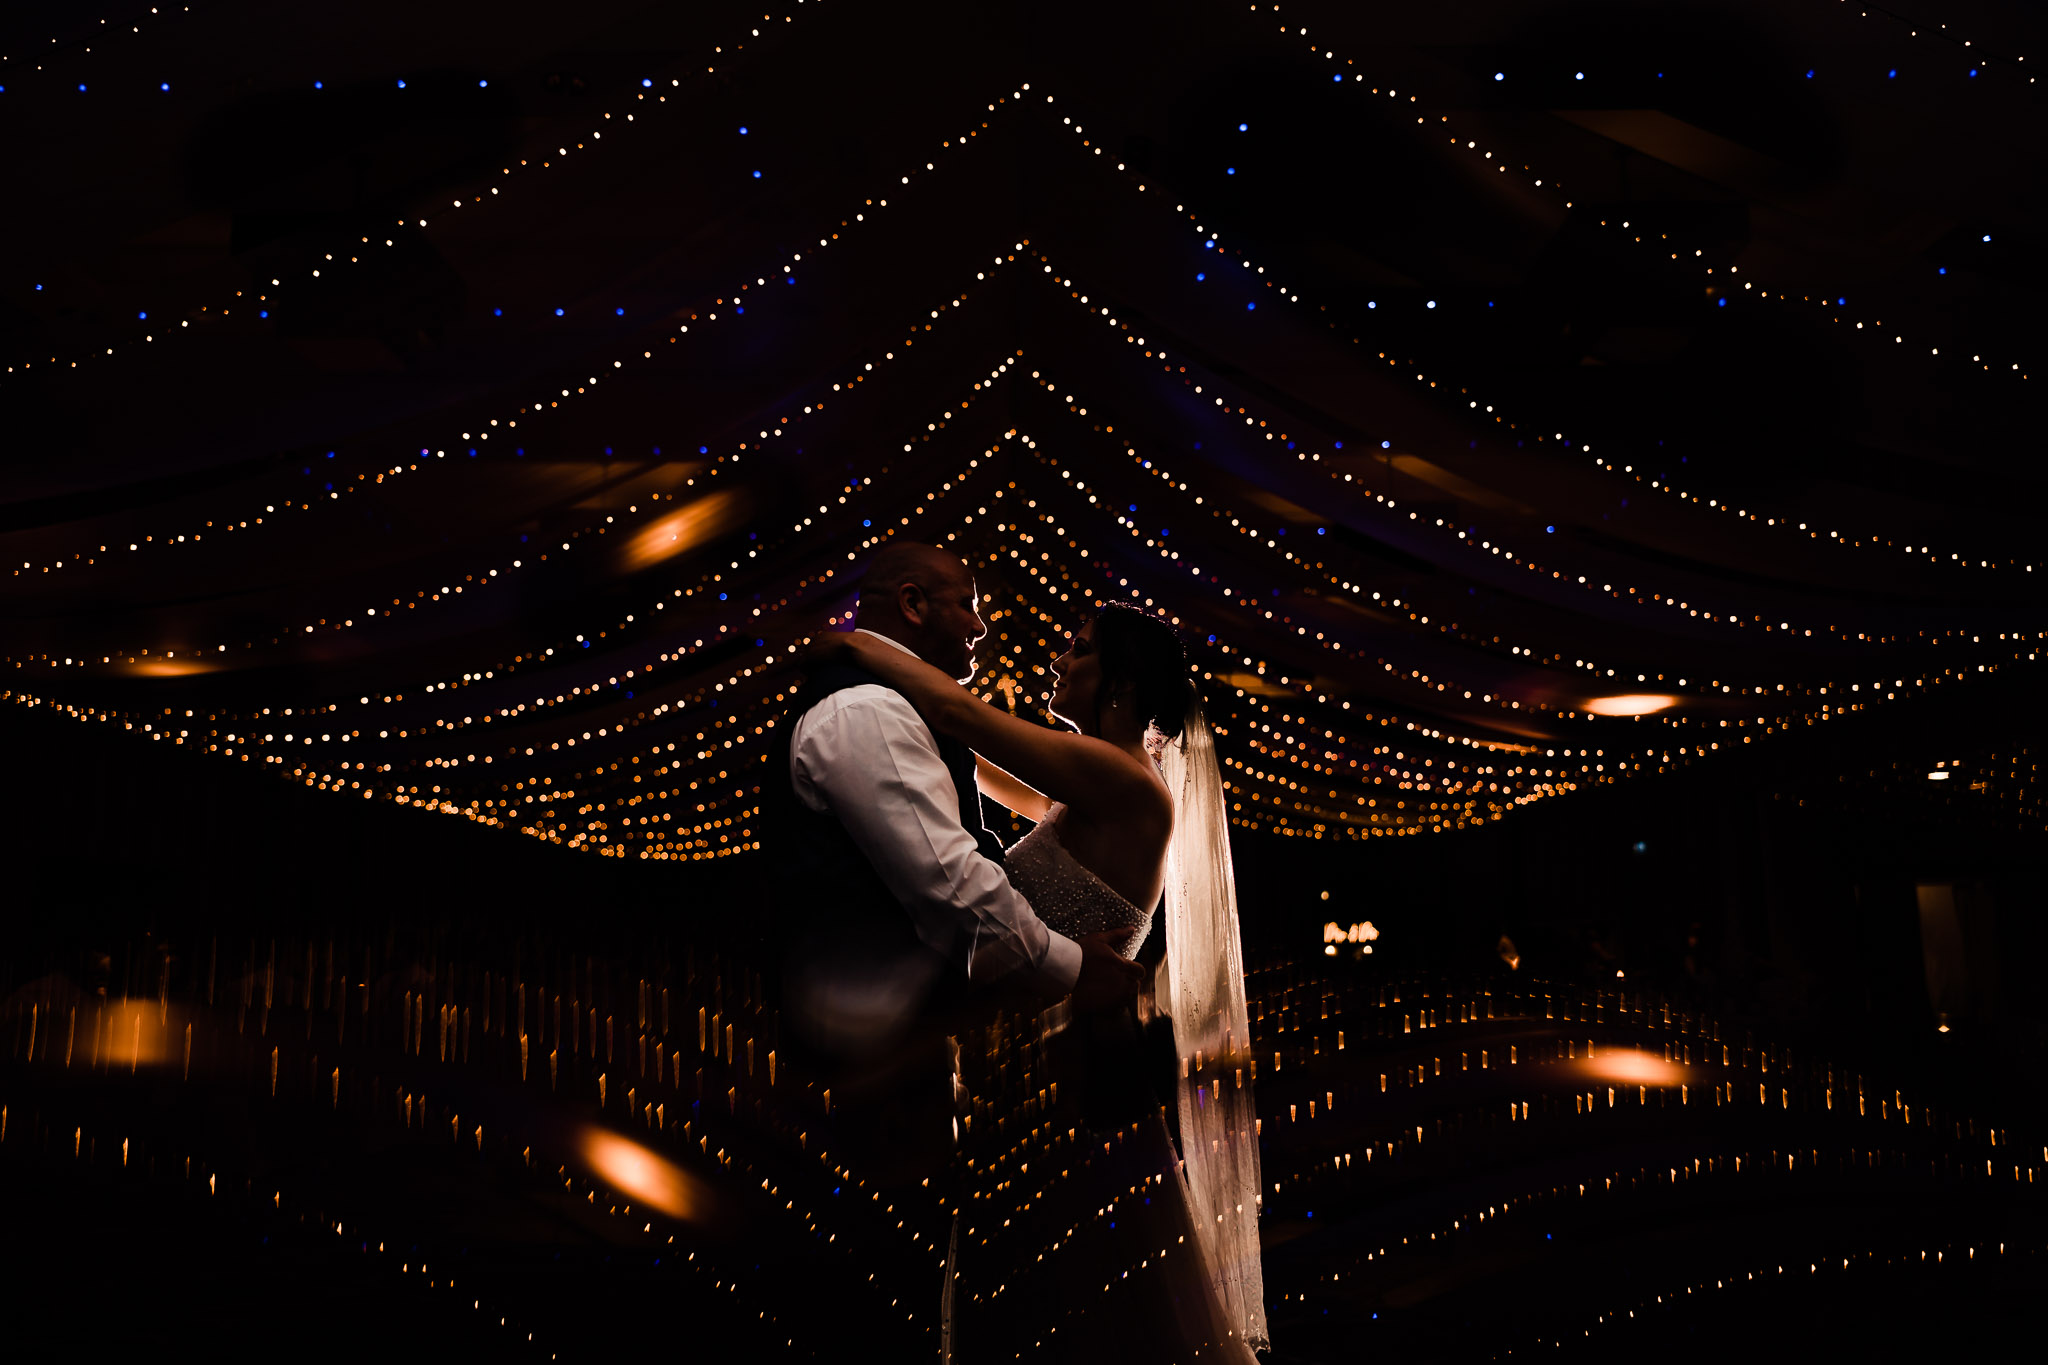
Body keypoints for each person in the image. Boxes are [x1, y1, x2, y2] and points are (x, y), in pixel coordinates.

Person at [815, 590, 1270, 1362]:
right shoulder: (1087, 788)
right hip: (1036, 1082)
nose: (1059, 658)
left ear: (1119, 683)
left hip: (1071, 1090)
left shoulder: (1122, 781)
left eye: (1079, 647)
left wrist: (859, 645)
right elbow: (974, 757)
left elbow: (965, 723)